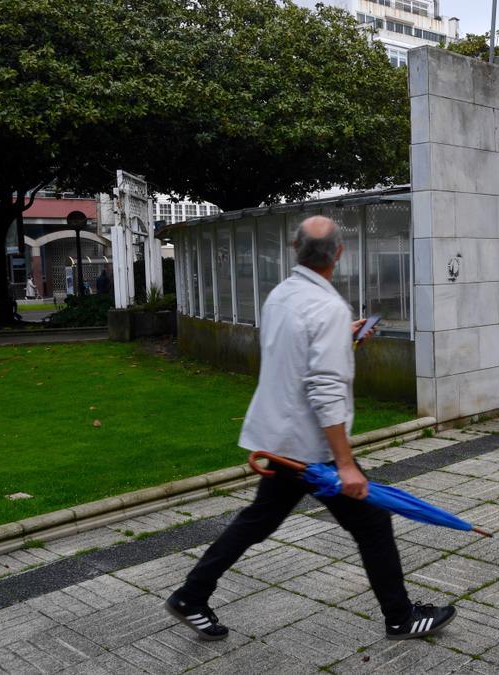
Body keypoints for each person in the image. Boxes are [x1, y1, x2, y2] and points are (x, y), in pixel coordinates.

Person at [165, 216, 456, 642]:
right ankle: (400, 616)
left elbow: (294, 353)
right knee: (371, 523)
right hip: (309, 446)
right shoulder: (327, 308)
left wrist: (344, 338)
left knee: (259, 521)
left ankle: (192, 594)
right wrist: (346, 465)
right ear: (339, 253)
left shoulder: (282, 295)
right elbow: (325, 390)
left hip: (282, 437)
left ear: (293, 249)